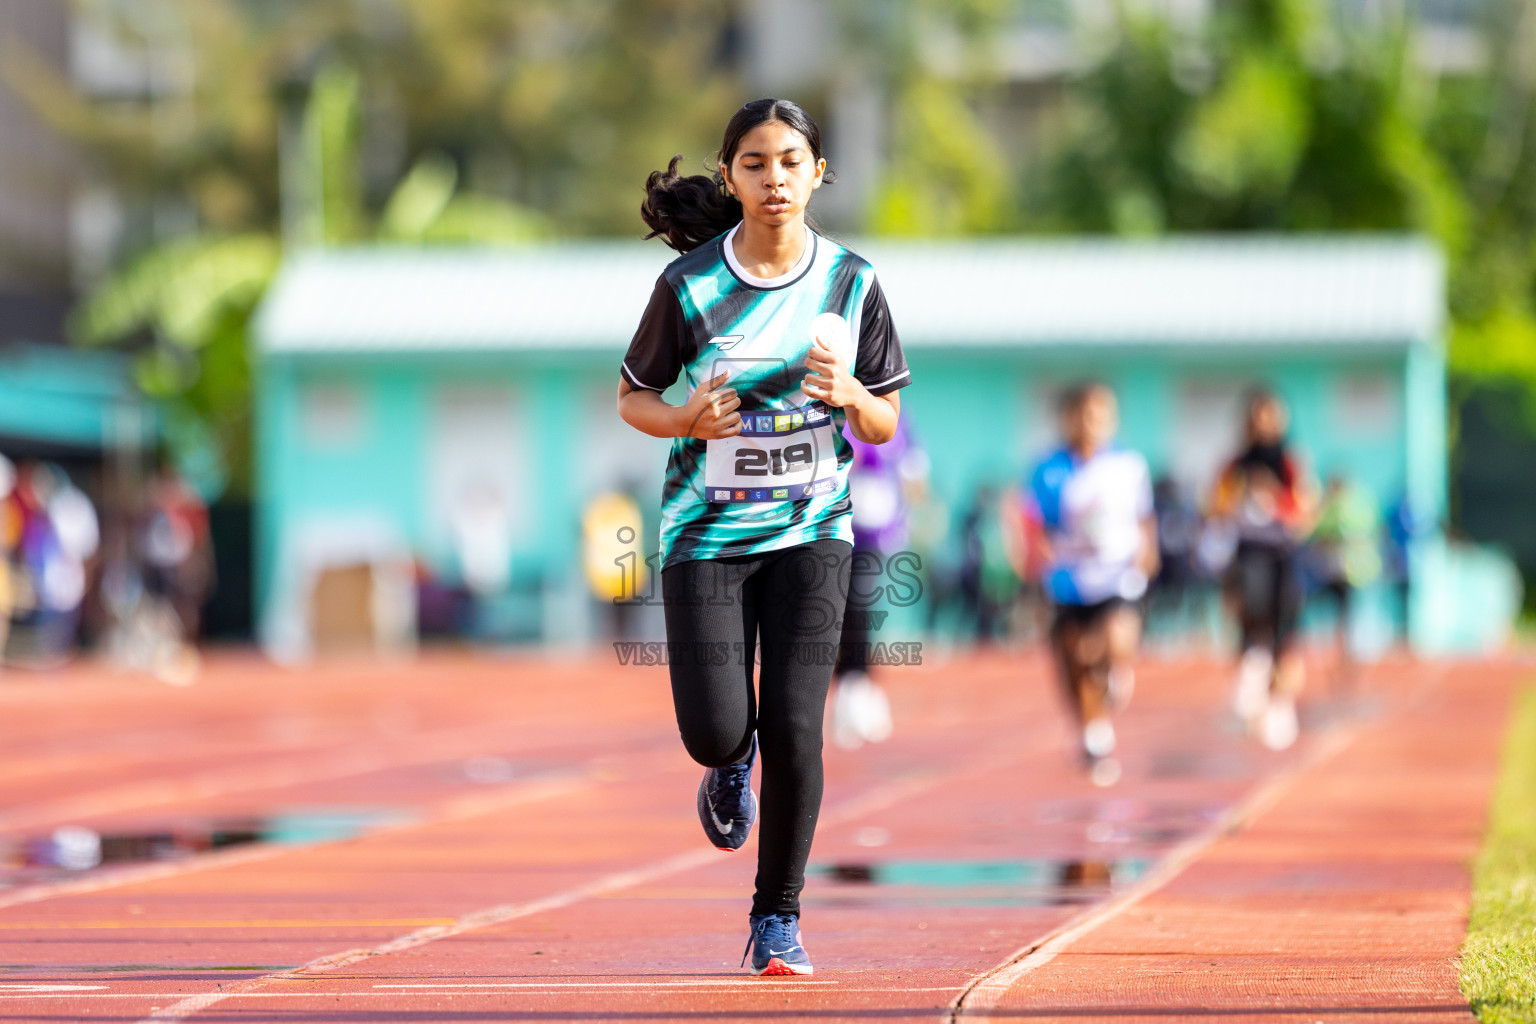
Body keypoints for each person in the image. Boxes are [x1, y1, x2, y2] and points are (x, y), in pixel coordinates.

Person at [616, 99, 910, 976]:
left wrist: (851, 395)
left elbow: (887, 420)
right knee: (717, 730)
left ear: (818, 172)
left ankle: (777, 917)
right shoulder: (690, 287)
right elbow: (633, 395)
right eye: (755, 163)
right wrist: (684, 420)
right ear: (731, 173)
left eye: (790, 161)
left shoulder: (853, 283)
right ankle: (726, 763)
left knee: (796, 726)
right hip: (708, 535)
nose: (774, 178)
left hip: (814, 531)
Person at [1023, 384, 1157, 787]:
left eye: (1101, 415)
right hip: (1068, 579)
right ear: (1067, 419)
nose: (1091, 424)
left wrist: (1149, 551)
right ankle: (1093, 734)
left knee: (1115, 640)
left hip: (1117, 574)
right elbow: (1035, 524)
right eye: (1083, 414)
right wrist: (1037, 554)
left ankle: (1117, 670)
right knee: (1075, 658)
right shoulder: (1048, 470)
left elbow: (1145, 517)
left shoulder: (1129, 466)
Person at [1210, 388, 1318, 750]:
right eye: (1258, 417)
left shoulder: (1290, 462)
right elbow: (1214, 507)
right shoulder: (1235, 466)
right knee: (1250, 625)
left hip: (1283, 556)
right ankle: (1253, 683)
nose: (1265, 425)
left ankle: (1280, 702)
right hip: (1247, 554)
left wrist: (1277, 502)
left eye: (1272, 417)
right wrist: (1241, 500)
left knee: (1284, 635)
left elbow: (1307, 510)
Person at [831, 415, 927, 749]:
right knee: (847, 606)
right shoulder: (839, 410)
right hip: (840, 525)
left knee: (858, 605)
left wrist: (912, 516)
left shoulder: (898, 419)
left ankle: (856, 687)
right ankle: (853, 688)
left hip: (877, 531)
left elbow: (914, 473)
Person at [1308, 474, 1382, 692]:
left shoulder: (1341, 507)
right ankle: (1341, 657)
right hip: (1335, 571)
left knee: (1344, 617)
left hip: (1346, 572)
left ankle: (1346, 657)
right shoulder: (1346, 506)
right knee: (1341, 617)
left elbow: (1325, 530)